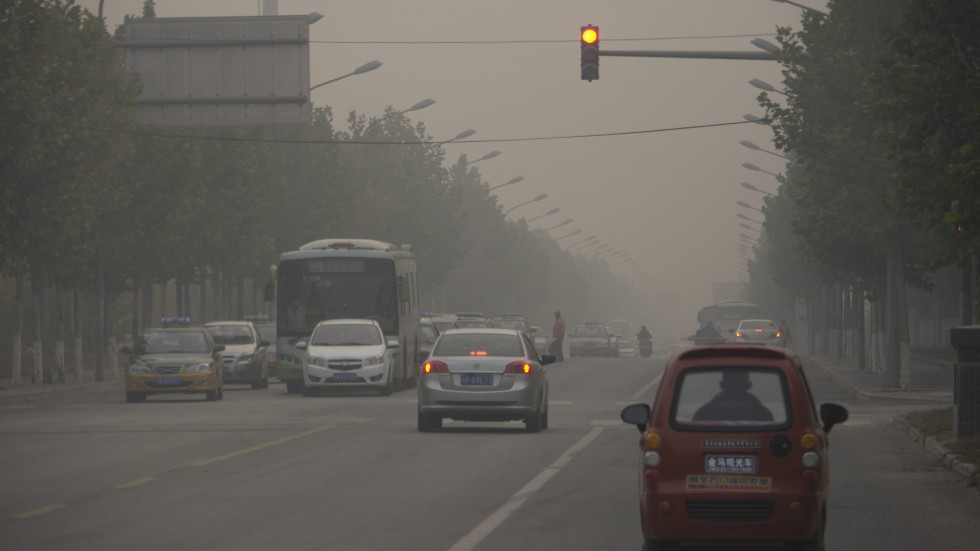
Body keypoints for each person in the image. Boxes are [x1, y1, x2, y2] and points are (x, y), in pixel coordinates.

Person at [693, 370, 774, 422]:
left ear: (722, 385)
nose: (735, 386)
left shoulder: (703, 413)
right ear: (749, 385)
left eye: (737, 383)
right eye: (733, 382)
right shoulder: (763, 413)